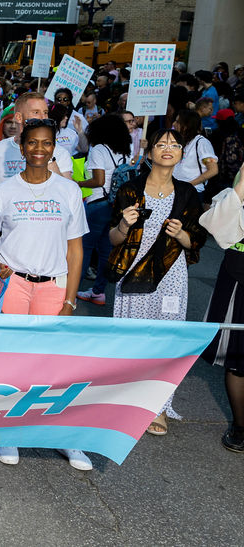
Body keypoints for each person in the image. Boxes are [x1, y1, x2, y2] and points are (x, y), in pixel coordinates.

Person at [0, 119, 91, 470]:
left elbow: (75, 251)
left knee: (55, 363)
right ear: (21, 147)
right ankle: (9, 432)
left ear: (54, 146)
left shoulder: (68, 191)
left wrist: (70, 300)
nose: (39, 149)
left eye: (46, 143)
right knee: (12, 359)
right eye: (32, 143)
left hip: (54, 285)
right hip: (14, 284)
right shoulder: (3, 191)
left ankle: (64, 437)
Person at [107, 127, 206, 435]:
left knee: (166, 342)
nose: (168, 148)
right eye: (162, 143)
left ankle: (158, 407)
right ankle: (124, 401)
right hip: (134, 274)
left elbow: (197, 242)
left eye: (175, 145)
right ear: (149, 152)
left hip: (171, 277)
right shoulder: (130, 190)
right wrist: (124, 224)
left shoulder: (188, 193)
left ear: (181, 154)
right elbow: (112, 238)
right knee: (131, 341)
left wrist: (182, 235)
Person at [199, 160, 244, 452]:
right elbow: (215, 225)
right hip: (239, 276)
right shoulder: (241, 182)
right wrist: (241, 188)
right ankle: (241, 427)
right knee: (239, 360)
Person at [0, 92, 74, 199]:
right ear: (18, 117)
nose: (43, 117)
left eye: (45, 112)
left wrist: (48, 157)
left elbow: (68, 193)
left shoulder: (59, 152)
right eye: (36, 112)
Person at [75, 114, 133, 305]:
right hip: (118, 206)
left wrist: (77, 182)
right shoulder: (126, 150)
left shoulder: (99, 149)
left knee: (83, 248)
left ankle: (71, 293)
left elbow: (98, 181)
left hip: (98, 203)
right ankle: (98, 292)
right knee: (106, 251)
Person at [172, 110, 218, 194]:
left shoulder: (201, 143)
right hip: (177, 190)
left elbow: (213, 169)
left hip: (193, 191)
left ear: (186, 126)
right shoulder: (181, 142)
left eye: (177, 122)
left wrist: (189, 185)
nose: (173, 124)